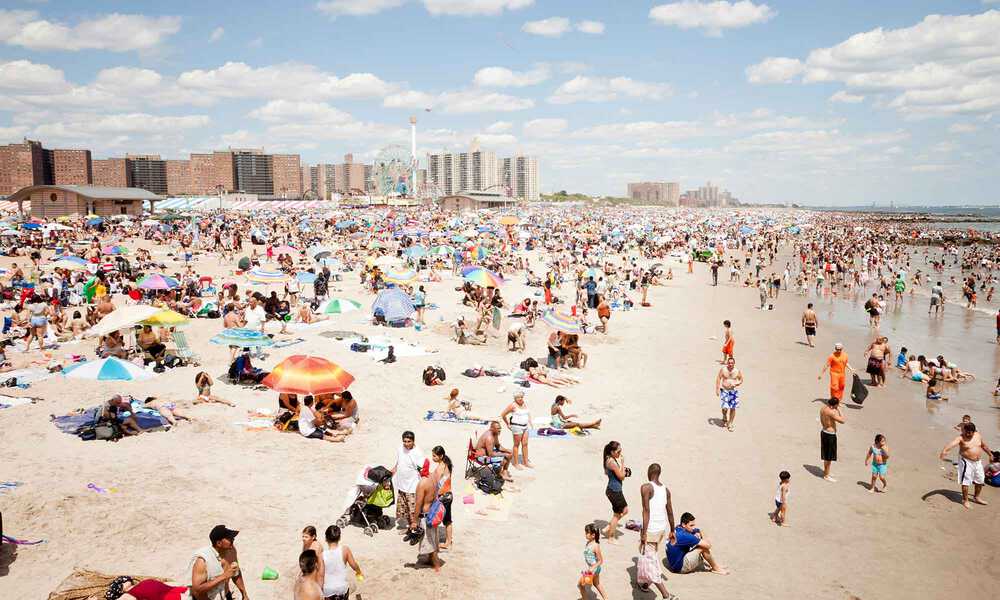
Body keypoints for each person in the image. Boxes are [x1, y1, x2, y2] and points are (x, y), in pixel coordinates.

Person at [638, 463, 676, 599]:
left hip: (651, 530)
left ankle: (665, 595)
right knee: (647, 555)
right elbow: (670, 512)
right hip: (661, 529)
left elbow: (646, 510)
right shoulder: (666, 490)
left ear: (649, 472)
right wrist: (672, 530)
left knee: (650, 560)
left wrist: (644, 533)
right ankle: (644, 583)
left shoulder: (646, 487)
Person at [940, 422, 993, 508]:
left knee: (980, 479)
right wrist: (944, 451)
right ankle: (965, 500)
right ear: (964, 430)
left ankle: (976, 497)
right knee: (966, 481)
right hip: (966, 461)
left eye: (970, 432)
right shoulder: (960, 438)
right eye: (966, 432)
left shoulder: (978, 435)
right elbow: (952, 444)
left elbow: (983, 446)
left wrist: (990, 454)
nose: (967, 434)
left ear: (973, 431)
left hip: (978, 462)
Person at [190, 525, 247, 600]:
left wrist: (244, 594)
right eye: (229, 538)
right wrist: (224, 576)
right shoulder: (202, 561)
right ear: (219, 543)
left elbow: (236, 573)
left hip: (225, 595)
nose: (232, 539)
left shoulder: (232, 551)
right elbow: (197, 590)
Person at [392, 431, 426, 536]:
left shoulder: (418, 453)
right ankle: (409, 529)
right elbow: (398, 462)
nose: (406, 444)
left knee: (414, 511)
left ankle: (417, 531)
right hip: (401, 484)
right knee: (405, 509)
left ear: (413, 441)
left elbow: (422, 470)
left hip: (412, 486)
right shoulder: (400, 448)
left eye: (409, 441)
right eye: (405, 441)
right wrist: (392, 471)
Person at [412, 470, 442, 572]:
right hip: (433, 513)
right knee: (432, 538)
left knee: (429, 541)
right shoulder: (434, 479)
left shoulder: (422, 483)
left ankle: (436, 565)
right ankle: (431, 560)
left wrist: (414, 521)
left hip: (425, 515)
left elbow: (418, 504)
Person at [322, 525, 363, 599]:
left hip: (328, 590)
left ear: (326, 539)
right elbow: (354, 565)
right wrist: (359, 572)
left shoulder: (322, 555)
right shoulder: (345, 550)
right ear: (339, 538)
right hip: (342, 589)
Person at [602, 441, 628, 541]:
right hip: (614, 491)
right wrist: (622, 463)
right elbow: (621, 476)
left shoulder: (609, 459)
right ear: (612, 452)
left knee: (623, 511)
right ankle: (611, 538)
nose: (620, 454)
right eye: (618, 452)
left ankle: (609, 526)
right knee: (618, 514)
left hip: (613, 490)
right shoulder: (611, 462)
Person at [500, 391, 532, 469]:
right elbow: (503, 414)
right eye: (518, 397)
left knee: (525, 444)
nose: (520, 398)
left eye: (521, 397)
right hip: (517, 426)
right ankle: (516, 463)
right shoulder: (512, 405)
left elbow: (527, 413)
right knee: (516, 445)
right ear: (515, 398)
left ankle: (526, 462)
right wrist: (507, 424)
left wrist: (530, 421)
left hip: (525, 426)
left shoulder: (524, 403)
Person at [431, 446, 454, 550]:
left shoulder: (442, 466)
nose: (433, 458)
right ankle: (448, 541)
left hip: (444, 496)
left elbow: (435, 480)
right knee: (447, 520)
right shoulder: (443, 464)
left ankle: (444, 542)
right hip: (447, 495)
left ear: (441, 456)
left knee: (437, 519)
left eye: (434, 456)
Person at [580, 523, 608, 600]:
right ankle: (606, 598)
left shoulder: (595, 546)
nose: (585, 534)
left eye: (587, 533)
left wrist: (592, 568)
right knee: (596, 583)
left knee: (581, 585)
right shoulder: (589, 542)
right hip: (594, 569)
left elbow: (600, 560)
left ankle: (584, 598)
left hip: (593, 570)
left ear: (593, 535)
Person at [819, 397, 845, 482]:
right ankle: (826, 475)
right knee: (829, 457)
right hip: (830, 435)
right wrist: (839, 410)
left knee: (826, 455)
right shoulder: (832, 412)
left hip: (824, 431)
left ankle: (827, 472)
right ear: (835, 405)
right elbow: (843, 420)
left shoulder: (823, 408)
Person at [715, 356, 743, 432]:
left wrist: (736, 383)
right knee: (724, 408)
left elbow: (741, 379)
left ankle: (730, 423)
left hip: (733, 391)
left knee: (733, 408)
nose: (730, 364)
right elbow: (718, 378)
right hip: (724, 390)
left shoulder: (737, 371)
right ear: (727, 363)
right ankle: (724, 415)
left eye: (732, 363)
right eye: (729, 363)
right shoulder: (723, 370)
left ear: (734, 363)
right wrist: (717, 389)